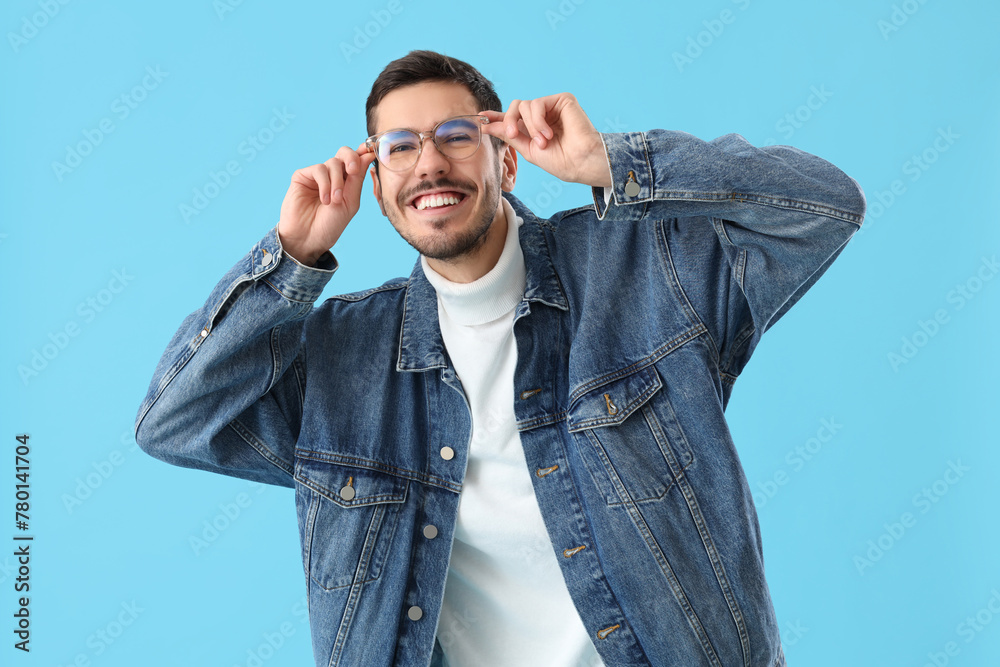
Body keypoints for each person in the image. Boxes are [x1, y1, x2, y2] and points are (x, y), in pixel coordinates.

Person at [135, 49, 865, 667]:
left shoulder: (645, 274)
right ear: (379, 189)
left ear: (507, 161)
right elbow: (174, 421)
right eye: (399, 148)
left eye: (456, 135)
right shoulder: (340, 357)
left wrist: (608, 160)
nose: (429, 164)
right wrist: (291, 257)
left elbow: (825, 207)